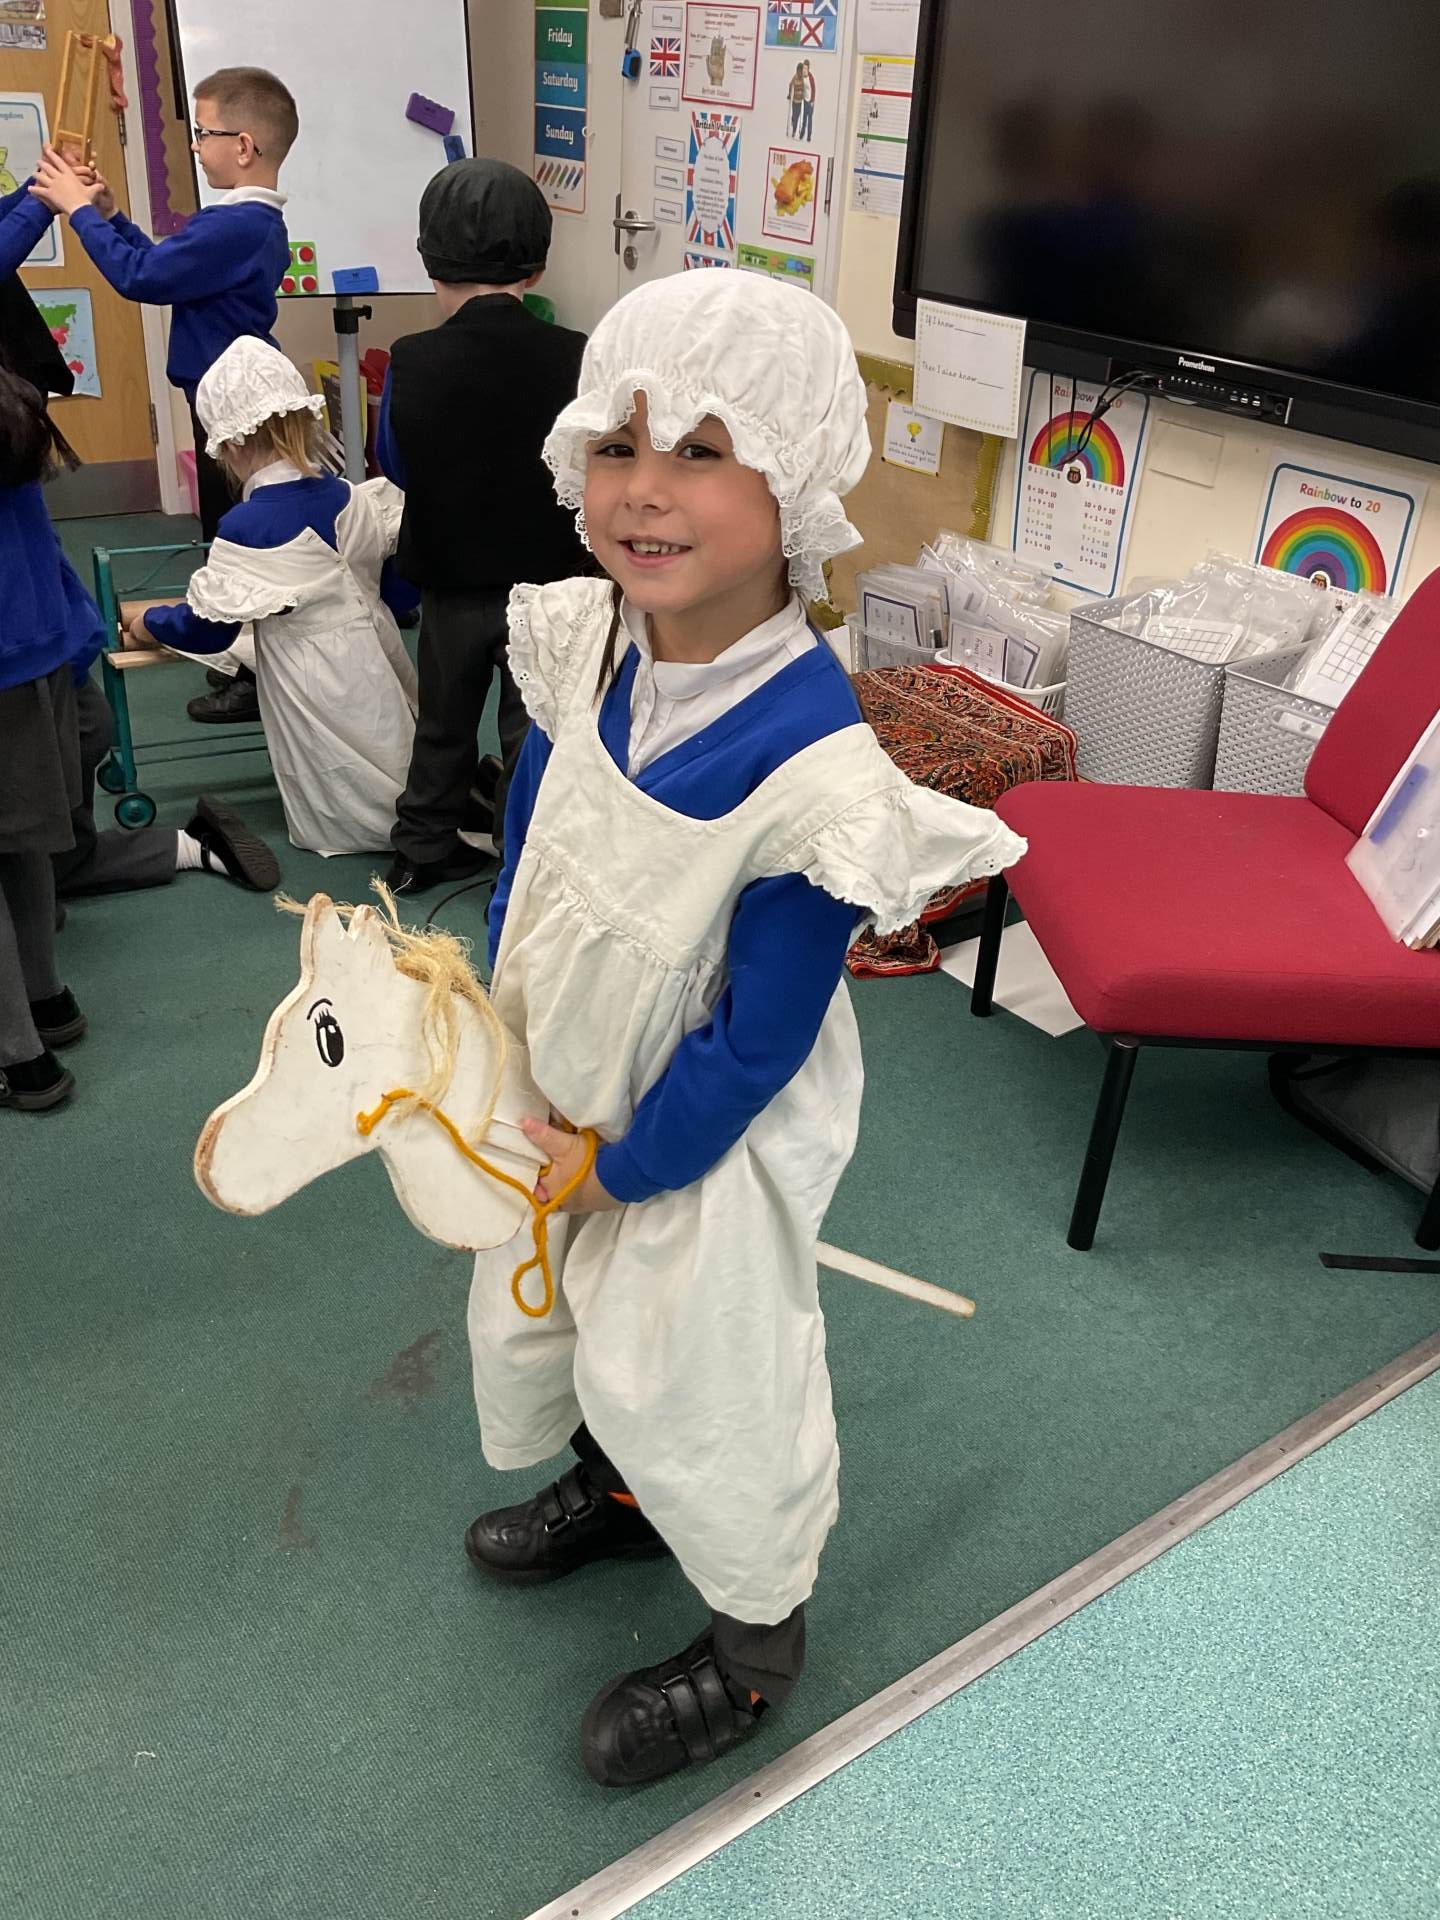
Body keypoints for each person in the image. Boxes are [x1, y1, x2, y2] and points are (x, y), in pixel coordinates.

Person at [463, 271, 1027, 1787]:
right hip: (569, 1083)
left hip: (702, 1137)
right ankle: (621, 1497)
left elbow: (759, 1039)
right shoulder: (591, 641)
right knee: (575, 1315)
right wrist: (502, 1012)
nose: (643, 491)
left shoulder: (812, 760)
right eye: (618, 444)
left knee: (707, 1372)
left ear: (795, 487)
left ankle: (755, 1644)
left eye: (703, 452)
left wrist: (623, 1167)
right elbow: (537, 837)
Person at [31, 65, 298, 724]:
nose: (197, 146)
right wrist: (107, 214)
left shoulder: (237, 226)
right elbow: (161, 265)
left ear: (244, 146)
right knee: (229, 532)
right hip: (223, 402)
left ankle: (250, 673)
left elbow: (140, 277)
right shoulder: (240, 222)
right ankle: (237, 656)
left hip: (232, 411)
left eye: (205, 134)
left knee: (236, 540)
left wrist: (75, 210)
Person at [377, 158, 588, 894]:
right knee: (533, 724)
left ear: (431, 264)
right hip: (552, 582)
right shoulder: (580, 356)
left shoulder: (411, 359)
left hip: (452, 576)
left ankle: (420, 847)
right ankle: (524, 859)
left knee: (444, 718)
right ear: (537, 266)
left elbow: (395, 462)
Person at [125, 338, 418, 857]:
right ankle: (418, 813)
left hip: (311, 678)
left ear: (232, 446)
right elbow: (396, 591)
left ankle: (363, 825)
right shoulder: (354, 496)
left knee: (336, 764)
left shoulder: (246, 526)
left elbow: (208, 629)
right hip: (377, 651)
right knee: (391, 735)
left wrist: (152, 623)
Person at [0, 364, 95, 1110]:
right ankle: (47, 998)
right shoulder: (13, 400)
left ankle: (19, 1058)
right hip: (41, 658)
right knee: (21, 843)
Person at [788, 63, 806, 139]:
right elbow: (790, 85)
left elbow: (805, 88)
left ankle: (794, 131)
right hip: (794, 100)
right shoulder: (795, 77)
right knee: (794, 115)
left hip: (799, 101)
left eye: (800, 71)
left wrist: (804, 95)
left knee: (797, 116)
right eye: (798, 71)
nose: (799, 73)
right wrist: (789, 94)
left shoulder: (803, 79)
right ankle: (793, 120)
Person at [800, 61, 816, 145]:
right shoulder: (801, 77)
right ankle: (802, 134)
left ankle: (809, 136)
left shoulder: (811, 78)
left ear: (808, 69)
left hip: (810, 101)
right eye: (803, 68)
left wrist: (812, 101)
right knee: (804, 118)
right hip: (805, 100)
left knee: (809, 119)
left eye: (806, 68)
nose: (804, 70)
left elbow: (813, 90)